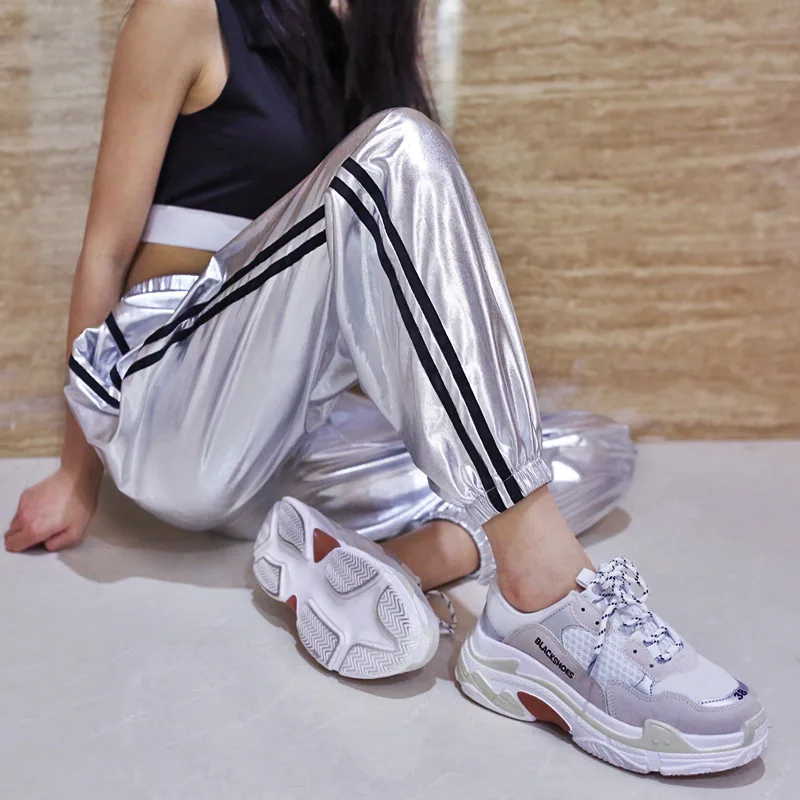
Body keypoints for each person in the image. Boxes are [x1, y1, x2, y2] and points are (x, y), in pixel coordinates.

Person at [3, 0, 765, 775]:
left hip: (283, 437)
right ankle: (540, 597)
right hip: (171, 406)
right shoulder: (190, 11)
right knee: (399, 147)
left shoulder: (359, 45)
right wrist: (76, 477)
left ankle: (379, 569)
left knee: (594, 447)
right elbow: (105, 250)